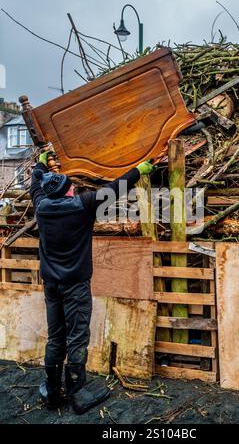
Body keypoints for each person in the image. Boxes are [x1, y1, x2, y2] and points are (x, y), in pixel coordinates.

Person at [30, 151, 156, 414]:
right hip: (75, 286)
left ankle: (52, 392)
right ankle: (77, 394)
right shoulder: (82, 207)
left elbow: (36, 181)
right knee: (76, 338)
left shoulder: (41, 205)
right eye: (71, 185)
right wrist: (139, 170)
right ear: (66, 192)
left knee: (55, 338)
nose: (74, 186)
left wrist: (41, 163)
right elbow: (115, 188)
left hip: (52, 285)